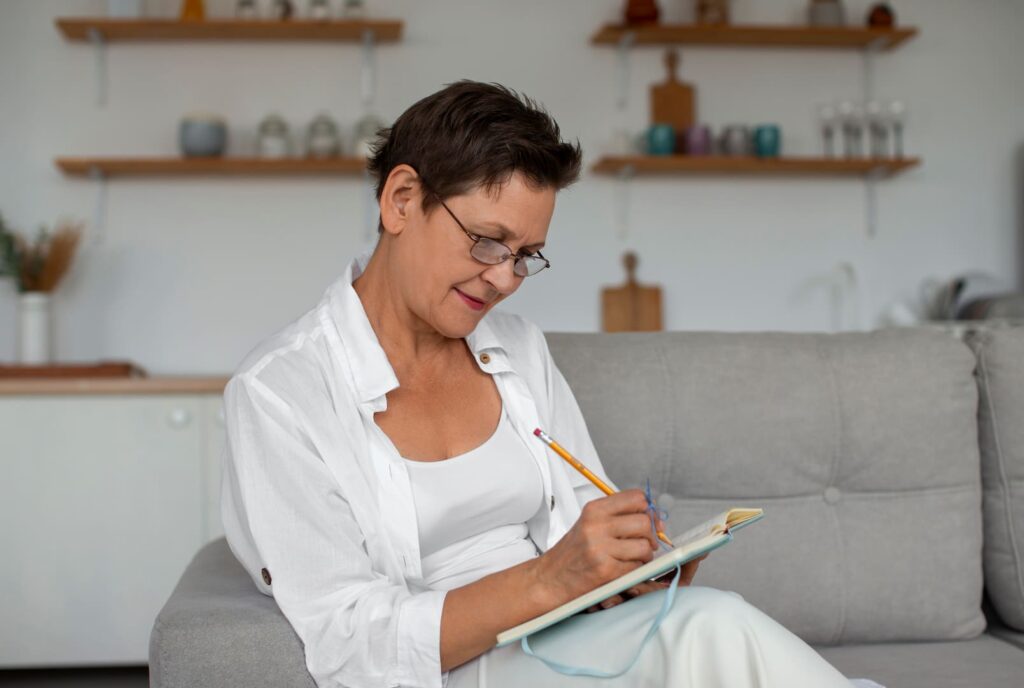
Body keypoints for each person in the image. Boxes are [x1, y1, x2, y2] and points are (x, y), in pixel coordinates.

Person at [221, 80, 877, 688]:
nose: (504, 279)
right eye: (487, 241)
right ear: (401, 200)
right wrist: (547, 580)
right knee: (712, 627)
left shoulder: (519, 351)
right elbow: (348, 640)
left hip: (570, 636)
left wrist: (630, 572)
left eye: (526, 256)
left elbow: (578, 528)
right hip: (457, 668)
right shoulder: (280, 394)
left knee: (705, 620)